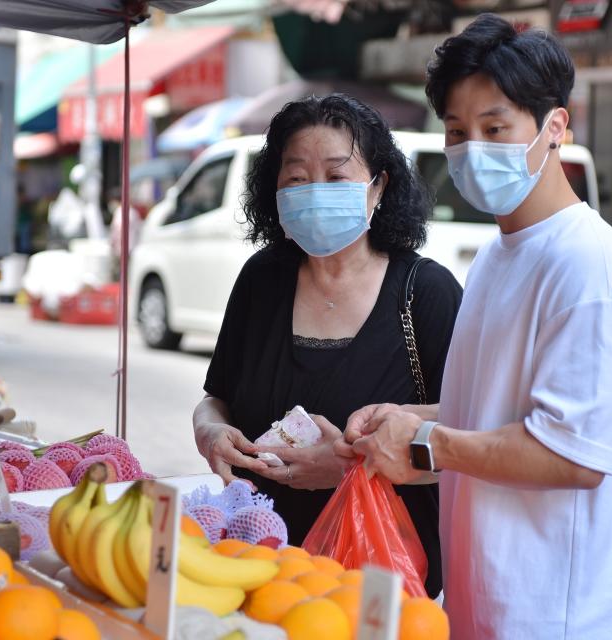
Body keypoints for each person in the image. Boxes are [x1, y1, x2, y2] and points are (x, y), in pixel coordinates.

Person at [340, 14, 612, 638]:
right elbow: (495, 415)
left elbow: (572, 453)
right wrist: (408, 421)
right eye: (457, 131)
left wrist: (427, 442)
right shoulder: (497, 254)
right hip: (484, 606)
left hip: (557, 617)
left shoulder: (587, 264)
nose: (471, 149)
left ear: (555, 126)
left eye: (495, 128)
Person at [193, 94, 463, 597]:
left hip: (379, 576)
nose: (315, 192)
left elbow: (468, 435)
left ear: (377, 185)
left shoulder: (425, 292)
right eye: (296, 178)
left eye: (337, 177)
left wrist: (349, 466)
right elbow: (216, 400)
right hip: (256, 569)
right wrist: (210, 433)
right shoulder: (262, 280)